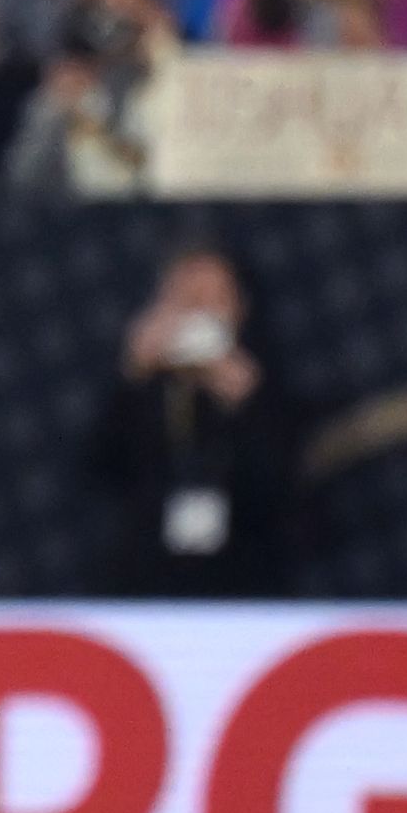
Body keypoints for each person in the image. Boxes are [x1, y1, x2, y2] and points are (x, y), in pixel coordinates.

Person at [88, 245, 302, 597]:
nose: (200, 313)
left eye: (213, 299)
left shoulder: (266, 387)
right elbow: (98, 468)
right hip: (143, 581)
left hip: (245, 582)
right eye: (187, 300)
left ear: (240, 309)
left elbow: (281, 486)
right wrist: (133, 375)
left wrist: (249, 403)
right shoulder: (142, 388)